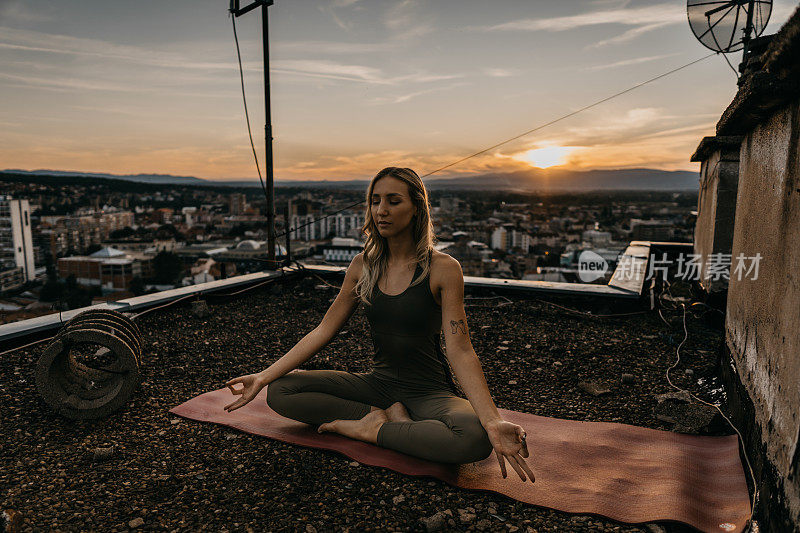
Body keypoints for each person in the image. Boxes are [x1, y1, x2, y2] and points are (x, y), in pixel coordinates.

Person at [224, 167, 534, 482]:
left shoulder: (443, 269)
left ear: (416, 209)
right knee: (281, 391)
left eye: (393, 201)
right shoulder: (362, 266)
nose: (381, 210)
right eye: (375, 201)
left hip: (429, 393)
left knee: (474, 437)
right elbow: (324, 330)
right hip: (378, 385)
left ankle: (376, 429)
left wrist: (493, 421)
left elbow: (461, 349)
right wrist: (262, 377)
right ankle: (384, 421)